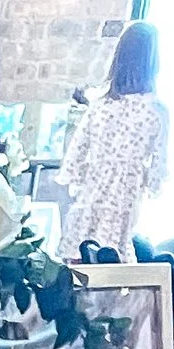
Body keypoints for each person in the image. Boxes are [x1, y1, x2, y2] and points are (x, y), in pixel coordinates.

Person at [60, 20, 169, 254]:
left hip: (91, 196)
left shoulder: (100, 105)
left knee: (78, 260)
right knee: (113, 265)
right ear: (154, 62)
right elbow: (158, 175)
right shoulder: (157, 112)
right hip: (124, 203)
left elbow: (76, 155)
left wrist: (84, 179)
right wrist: (140, 174)